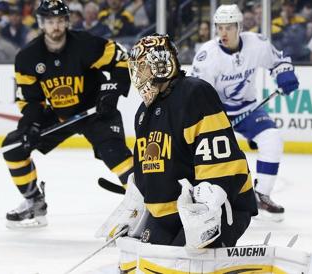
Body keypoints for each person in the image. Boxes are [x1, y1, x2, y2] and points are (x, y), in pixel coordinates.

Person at [96, 34, 257, 252]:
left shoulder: (194, 94)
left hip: (218, 206)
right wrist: (136, 207)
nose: (138, 75)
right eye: (136, 68)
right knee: (140, 263)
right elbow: (148, 169)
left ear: (161, 65)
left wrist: (207, 206)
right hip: (170, 214)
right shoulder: (143, 113)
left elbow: (221, 160)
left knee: (181, 265)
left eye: (143, 67)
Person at [2, 0, 133, 229]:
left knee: (116, 154)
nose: (56, 27)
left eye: (60, 21)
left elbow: (123, 61)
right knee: (14, 146)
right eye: (50, 22)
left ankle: (147, 204)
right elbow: (31, 100)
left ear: (67, 22)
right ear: (42, 23)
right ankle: (34, 202)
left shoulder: (86, 45)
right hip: (61, 114)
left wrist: (110, 92)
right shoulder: (28, 57)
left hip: (95, 111)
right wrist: (30, 126)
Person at [189, 4, 299, 221]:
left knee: (272, 139)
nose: (223, 33)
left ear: (239, 27)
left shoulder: (257, 44)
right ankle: (200, 197)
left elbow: (279, 61)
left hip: (249, 109)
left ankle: (262, 196)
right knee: (207, 157)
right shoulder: (207, 56)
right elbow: (198, 93)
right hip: (216, 114)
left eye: (229, 27)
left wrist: (284, 74)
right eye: (219, 27)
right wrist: (212, 120)